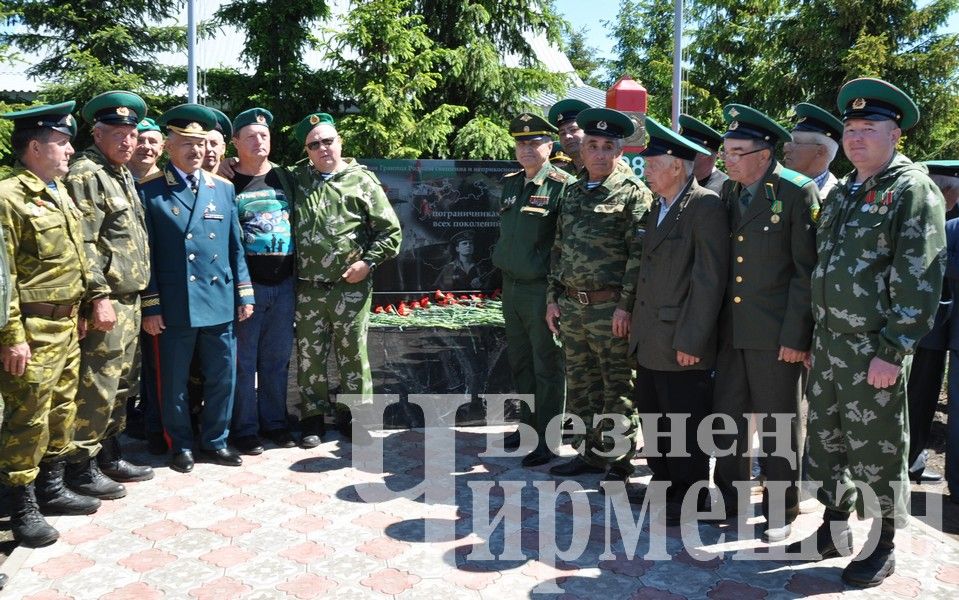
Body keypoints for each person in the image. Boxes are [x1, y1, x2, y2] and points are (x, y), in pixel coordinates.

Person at [793, 78, 946, 588]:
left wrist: (893, 349)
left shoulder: (911, 190)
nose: (857, 138)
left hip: (873, 351)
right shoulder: (848, 190)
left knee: (877, 448)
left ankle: (882, 545)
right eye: (851, 129)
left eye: (869, 128)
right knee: (829, 441)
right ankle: (834, 528)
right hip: (831, 344)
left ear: (895, 133)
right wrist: (817, 338)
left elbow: (919, 276)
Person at [712, 104, 819, 543]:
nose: (727, 160)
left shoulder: (796, 192)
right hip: (732, 330)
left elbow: (806, 270)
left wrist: (797, 335)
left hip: (776, 334)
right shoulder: (729, 193)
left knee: (779, 422)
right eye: (726, 151)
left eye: (737, 152)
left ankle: (781, 506)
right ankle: (730, 498)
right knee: (728, 418)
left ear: (763, 153)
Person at [0, 101, 101, 548]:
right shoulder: (8, 198)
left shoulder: (57, 191)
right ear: (36, 147)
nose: (69, 150)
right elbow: (3, 277)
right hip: (32, 332)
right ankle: (20, 507)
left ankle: (52, 488)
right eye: (62, 143)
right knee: (27, 418)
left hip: (66, 326)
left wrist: (82, 307)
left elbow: (76, 258)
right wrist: (11, 337)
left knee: (61, 409)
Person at [139, 104, 254, 474]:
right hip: (175, 303)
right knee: (172, 381)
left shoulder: (222, 188)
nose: (195, 151)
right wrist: (151, 305)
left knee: (223, 375)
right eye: (186, 143)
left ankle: (216, 441)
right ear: (168, 146)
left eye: (201, 143)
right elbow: (147, 256)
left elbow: (235, 246)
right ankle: (181, 445)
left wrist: (244, 293)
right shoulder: (152, 191)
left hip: (219, 298)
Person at [629, 116, 729, 519]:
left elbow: (709, 281)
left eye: (652, 164)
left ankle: (690, 495)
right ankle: (664, 483)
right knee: (653, 416)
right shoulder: (659, 205)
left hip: (681, 341)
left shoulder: (704, 205)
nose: (646, 170)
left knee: (684, 424)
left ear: (676, 166)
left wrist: (693, 339)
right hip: (650, 337)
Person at [545, 107, 652, 483]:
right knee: (582, 385)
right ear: (584, 149)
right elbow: (558, 249)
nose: (600, 153)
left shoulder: (633, 194)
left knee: (617, 388)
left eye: (609, 146)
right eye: (593, 145)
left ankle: (619, 461)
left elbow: (639, 259)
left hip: (611, 310)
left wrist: (626, 307)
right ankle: (591, 454)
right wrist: (552, 299)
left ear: (620, 153)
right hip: (573, 306)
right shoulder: (572, 191)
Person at [63, 91, 154, 502]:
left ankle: (108, 453)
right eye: (117, 133)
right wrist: (97, 297)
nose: (127, 141)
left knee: (121, 383)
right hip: (108, 299)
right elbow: (84, 242)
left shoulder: (120, 174)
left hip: (129, 298)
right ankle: (80, 466)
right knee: (97, 384)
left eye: (131, 133)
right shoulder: (87, 174)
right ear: (96, 134)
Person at [291, 113, 401, 448]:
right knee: (310, 356)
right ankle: (312, 420)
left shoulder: (362, 181)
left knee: (353, 355)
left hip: (350, 287)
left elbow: (391, 232)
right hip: (308, 289)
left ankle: (355, 419)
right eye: (314, 144)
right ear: (307, 151)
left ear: (340, 142)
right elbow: (258, 172)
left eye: (328, 140)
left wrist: (367, 263)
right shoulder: (296, 179)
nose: (323, 148)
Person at [492, 113, 576, 467]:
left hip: (541, 290)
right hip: (511, 288)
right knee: (520, 362)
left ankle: (548, 437)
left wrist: (555, 296)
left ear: (549, 145)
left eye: (534, 142)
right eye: (520, 142)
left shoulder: (562, 185)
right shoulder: (511, 183)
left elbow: (566, 246)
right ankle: (527, 425)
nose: (526, 148)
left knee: (547, 365)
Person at [228, 107, 297, 454]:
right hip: (248, 287)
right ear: (236, 142)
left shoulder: (286, 178)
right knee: (243, 363)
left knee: (276, 359)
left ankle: (275, 423)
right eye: (251, 136)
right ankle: (245, 428)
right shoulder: (227, 182)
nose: (259, 141)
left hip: (285, 285)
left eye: (264, 135)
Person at [783, 102, 843, 198]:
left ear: (820, 151)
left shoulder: (836, 199)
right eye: (788, 141)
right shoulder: (774, 188)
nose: (786, 148)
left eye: (796, 143)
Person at [678, 114, 728, 195]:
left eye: (685, 148)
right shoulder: (677, 182)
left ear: (704, 153)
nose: (679, 153)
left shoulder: (726, 188)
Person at [547, 98, 590, 174]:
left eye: (573, 130)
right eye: (562, 133)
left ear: (588, 132)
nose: (567, 136)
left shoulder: (604, 171)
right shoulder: (558, 175)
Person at [128, 117, 164, 182]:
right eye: (139, 140)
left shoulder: (171, 184)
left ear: (161, 148)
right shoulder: (113, 179)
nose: (146, 146)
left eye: (152, 142)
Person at [202, 108, 231, 173]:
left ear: (223, 148)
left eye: (213, 143)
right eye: (202, 143)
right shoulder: (184, 179)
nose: (208, 148)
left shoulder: (235, 179)